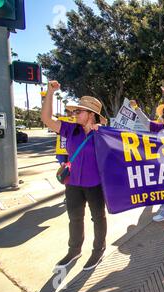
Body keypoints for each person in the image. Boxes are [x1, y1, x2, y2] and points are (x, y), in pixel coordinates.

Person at [41, 80, 108, 271]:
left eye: (78, 111)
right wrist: (50, 93)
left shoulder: (102, 134)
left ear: (91, 115)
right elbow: (46, 119)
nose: (74, 114)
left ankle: (98, 250)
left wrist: (101, 132)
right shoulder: (70, 129)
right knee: (75, 218)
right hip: (73, 184)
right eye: (74, 111)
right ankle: (74, 250)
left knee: (98, 218)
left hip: (95, 185)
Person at [131, 88, 164, 231]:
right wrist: (136, 108)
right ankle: (163, 212)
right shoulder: (158, 127)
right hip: (161, 166)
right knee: (162, 190)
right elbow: (145, 121)